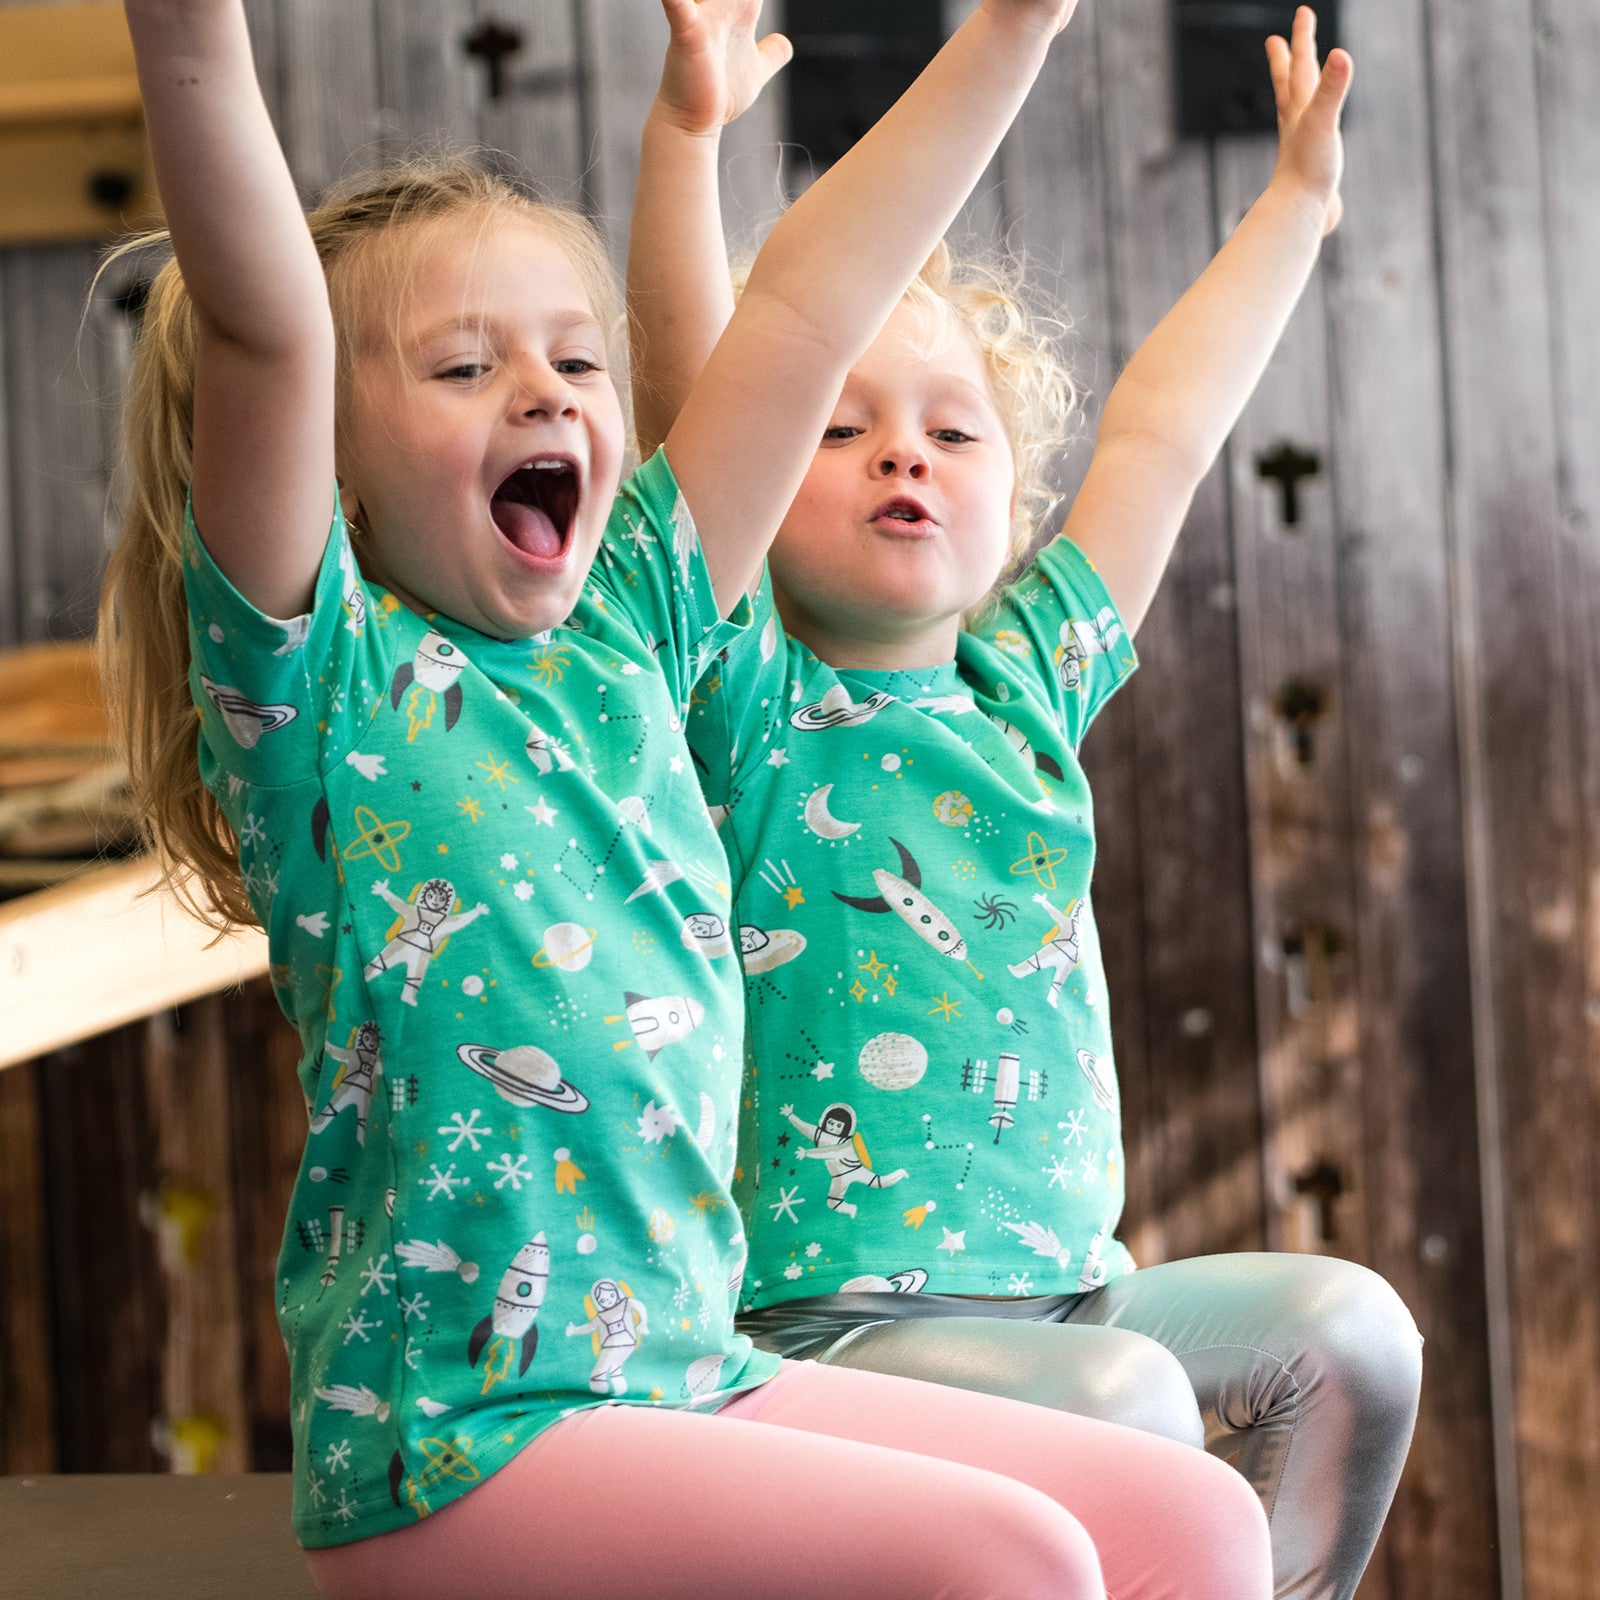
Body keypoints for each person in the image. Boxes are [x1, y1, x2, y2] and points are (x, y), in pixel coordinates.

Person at [99, 1, 1275, 1597]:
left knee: (1194, 1519)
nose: (546, 389)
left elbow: (803, 308)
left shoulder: (638, 627)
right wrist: (190, 42)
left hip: (685, 1377)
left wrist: (1010, 32)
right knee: (1013, 1563)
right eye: (463, 363)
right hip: (464, 1441)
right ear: (338, 466)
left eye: (578, 358)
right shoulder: (320, 683)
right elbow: (265, 328)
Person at [637, 7, 1424, 1598]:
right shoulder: (743, 695)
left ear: (1011, 492)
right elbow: (699, 392)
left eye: (948, 427)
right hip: (826, 1331)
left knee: (1353, 1335)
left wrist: (1296, 209)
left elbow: (1162, 430)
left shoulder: (1027, 690)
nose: (897, 455)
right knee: (1135, 1411)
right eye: (840, 428)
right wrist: (683, 148)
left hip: (1075, 1302)